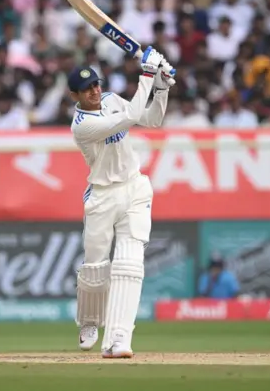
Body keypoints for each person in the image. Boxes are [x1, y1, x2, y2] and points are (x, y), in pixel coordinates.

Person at [70, 47, 176, 358]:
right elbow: (129, 118)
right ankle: (89, 321)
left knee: (130, 263)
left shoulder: (111, 100)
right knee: (95, 269)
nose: (95, 91)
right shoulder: (81, 126)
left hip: (135, 186)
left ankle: (118, 339)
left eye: (96, 85)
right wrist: (146, 72)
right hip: (102, 195)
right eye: (87, 88)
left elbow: (152, 119)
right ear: (74, 94)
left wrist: (160, 86)